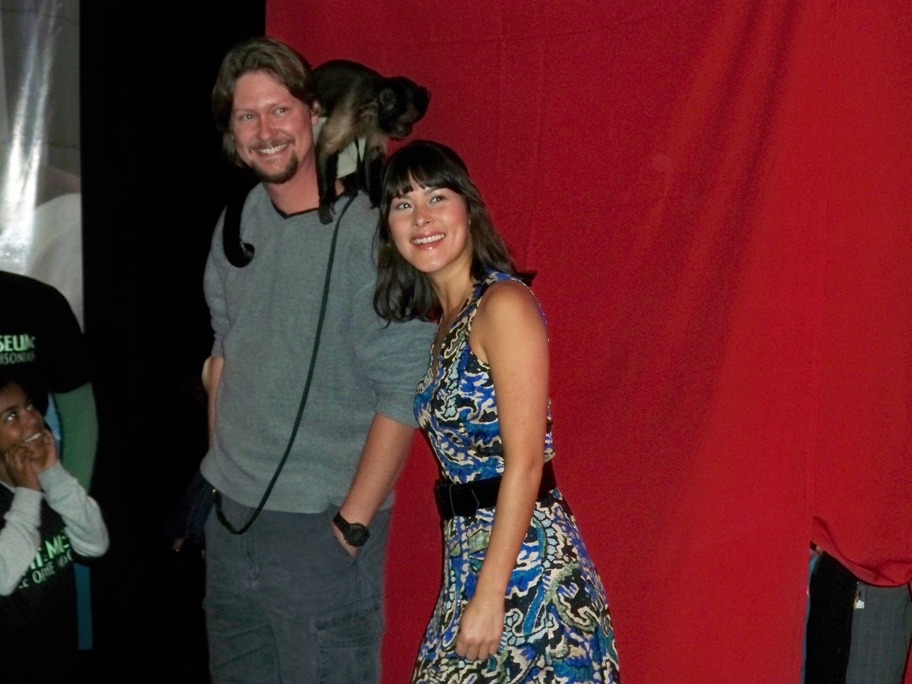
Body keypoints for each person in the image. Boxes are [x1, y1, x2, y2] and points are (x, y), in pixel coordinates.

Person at [201, 36, 434, 683]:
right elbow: (223, 352)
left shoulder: (373, 235)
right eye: (247, 116)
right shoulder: (240, 219)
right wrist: (220, 477)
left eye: (279, 110)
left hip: (320, 537)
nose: (265, 130)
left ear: (314, 115)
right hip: (232, 527)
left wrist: (352, 524)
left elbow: (404, 385)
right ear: (232, 133)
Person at [373, 139, 621, 683]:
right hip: (472, 565)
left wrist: (489, 598)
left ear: (468, 209)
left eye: (437, 197)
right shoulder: (448, 322)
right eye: (403, 204)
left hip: (529, 577)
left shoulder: (502, 304)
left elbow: (527, 464)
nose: (422, 218)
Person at [0, 373, 109, 683]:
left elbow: (95, 544)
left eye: (30, 406)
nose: (32, 420)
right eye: (11, 416)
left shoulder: (50, 486)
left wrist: (54, 474)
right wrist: (27, 495)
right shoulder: (27, 495)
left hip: (60, 664)